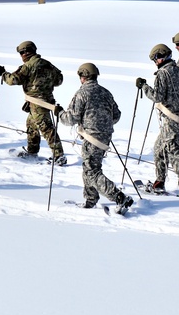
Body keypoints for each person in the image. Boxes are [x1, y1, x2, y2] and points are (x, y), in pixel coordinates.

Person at [55, 62, 133, 214]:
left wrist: (59, 113)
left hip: (91, 138)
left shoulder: (82, 93)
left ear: (83, 76)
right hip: (105, 137)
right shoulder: (106, 93)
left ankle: (119, 197)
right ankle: (90, 200)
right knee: (89, 167)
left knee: (92, 172)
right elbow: (116, 115)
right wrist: (103, 123)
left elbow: (71, 119)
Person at [137, 43, 179, 197]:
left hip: (171, 119)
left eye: (155, 58)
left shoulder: (163, 74)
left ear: (160, 57)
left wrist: (144, 87)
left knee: (176, 153)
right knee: (159, 148)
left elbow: (157, 97)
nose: (155, 62)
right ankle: (160, 181)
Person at [0, 40, 66, 165]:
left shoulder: (28, 66)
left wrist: (3, 74)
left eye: (21, 53)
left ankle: (59, 156)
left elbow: (13, 80)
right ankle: (32, 152)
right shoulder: (47, 64)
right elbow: (59, 80)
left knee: (46, 128)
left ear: (25, 52)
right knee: (31, 125)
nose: (21, 56)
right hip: (45, 101)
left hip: (37, 103)